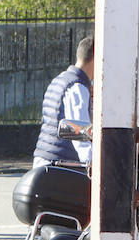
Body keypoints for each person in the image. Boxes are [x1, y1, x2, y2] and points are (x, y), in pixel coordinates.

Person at [33, 36, 94, 167]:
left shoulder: (61, 79)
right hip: (60, 165)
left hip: (45, 159)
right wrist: (93, 163)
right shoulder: (77, 88)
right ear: (96, 58)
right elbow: (79, 134)